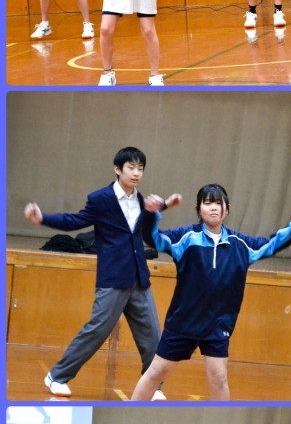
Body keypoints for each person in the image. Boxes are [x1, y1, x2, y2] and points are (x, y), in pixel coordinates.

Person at [130, 184, 291, 400]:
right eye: (207, 203)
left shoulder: (241, 245)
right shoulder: (185, 238)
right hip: (184, 322)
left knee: (219, 378)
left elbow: (272, 243)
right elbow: (153, 238)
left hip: (218, 323)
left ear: (227, 209)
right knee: (156, 373)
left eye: (218, 203)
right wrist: (151, 214)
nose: (213, 207)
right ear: (198, 209)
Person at [24, 146, 181, 398]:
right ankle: (57, 376)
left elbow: (143, 232)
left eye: (140, 168)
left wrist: (159, 208)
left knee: (153, 337)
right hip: (113, 278)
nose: (136, 173)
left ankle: (153, 387)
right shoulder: (101, 199)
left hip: (139, 278)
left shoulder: (140, 199)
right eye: (131, 167)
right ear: (117, 169)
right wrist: (42, 218)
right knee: (97, 330)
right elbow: (74, 220)